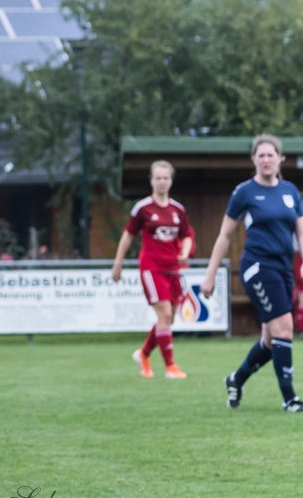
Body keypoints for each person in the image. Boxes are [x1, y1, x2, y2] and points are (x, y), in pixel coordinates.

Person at [201, 134, 303, 411]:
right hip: (258, 266)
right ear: (254, 159)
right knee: (284, 327)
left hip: (283, 269)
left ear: (280, 159)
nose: (266, 159)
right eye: (261, 155)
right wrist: (210, 274)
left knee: (271, 340)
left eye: (271, 155)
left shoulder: (291, 192)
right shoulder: (244, 192)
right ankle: (290, 399)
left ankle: (236, 379)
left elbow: (301, 233)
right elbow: (224, 236)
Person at [110, 160, 195, 379]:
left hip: (173, 269)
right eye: (158, 178)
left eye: (165, 178)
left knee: (169, 319)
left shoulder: (178, 210)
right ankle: (171, 367)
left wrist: (185, 252)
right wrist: (118, 263)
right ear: (151, 180)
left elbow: (186, 235)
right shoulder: (143, 208)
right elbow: (128, 235)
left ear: (170, 180)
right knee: (165, 314)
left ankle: (144, 354)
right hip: (152, 268)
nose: (162, 182)